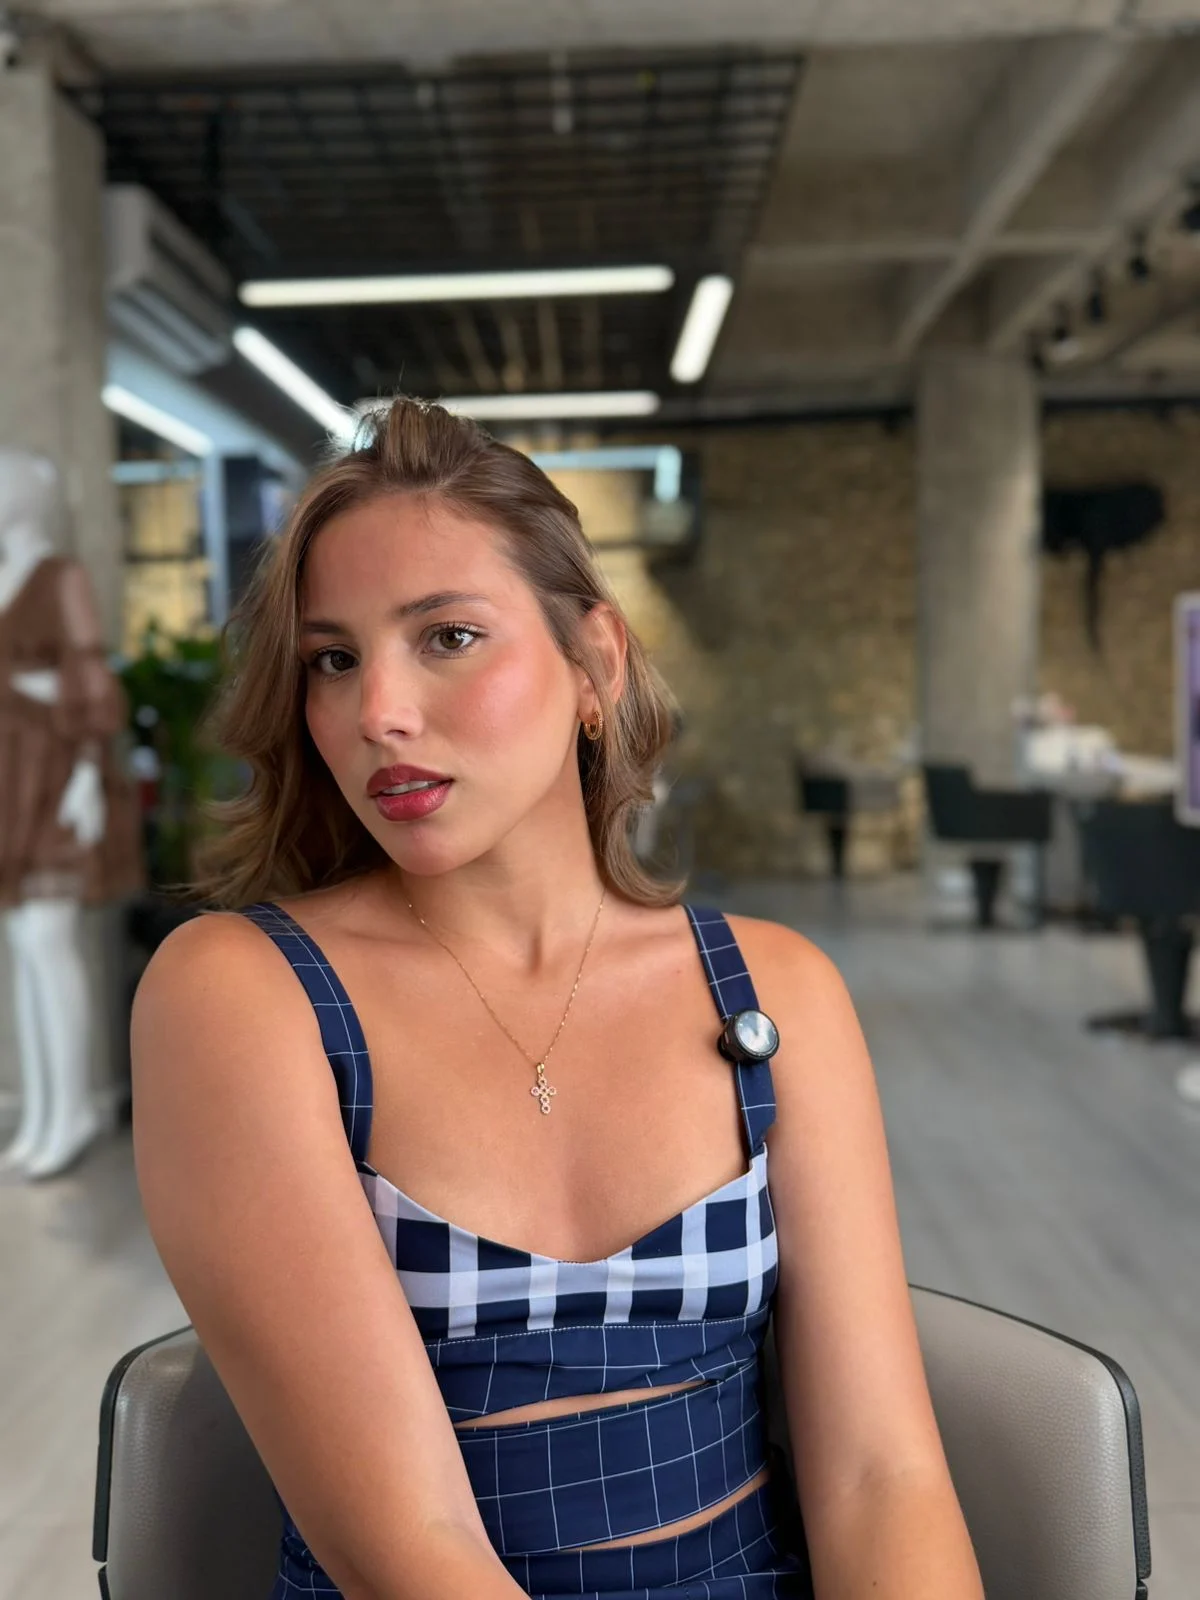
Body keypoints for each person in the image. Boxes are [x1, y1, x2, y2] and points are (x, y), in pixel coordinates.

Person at [131, 399, 983, 1600]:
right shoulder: (244, 995)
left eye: (447, 636)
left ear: (596, 663)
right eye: (334, 659)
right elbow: (408, 1550)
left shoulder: (775, 991)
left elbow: (881, 1478)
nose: (378, 711)